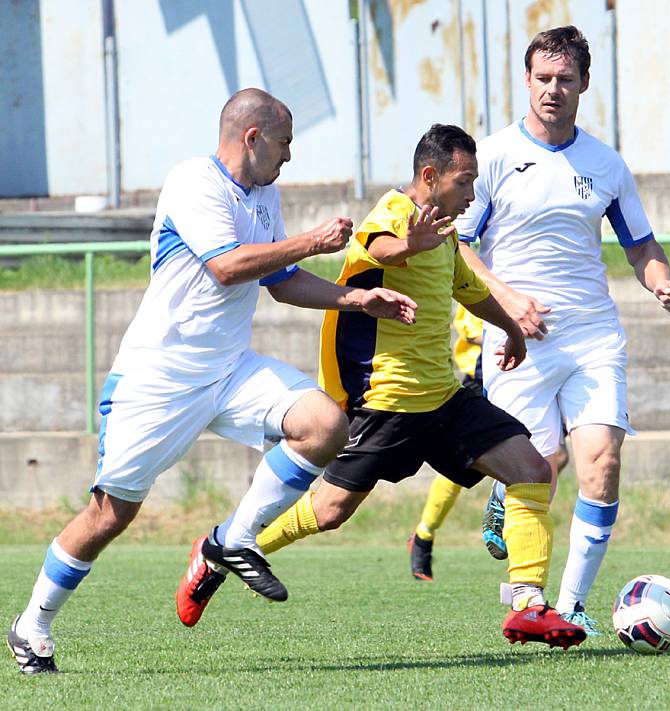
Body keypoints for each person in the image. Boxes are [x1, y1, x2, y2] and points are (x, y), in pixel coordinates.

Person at [7, 88, 418, 675]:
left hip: (230, 368)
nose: (289, 156)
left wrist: (357, 299)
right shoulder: (192, 181)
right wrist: (313, 239)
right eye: (285, 143)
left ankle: (231, 539)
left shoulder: (264, 193)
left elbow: (281, 278)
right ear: (252, 138)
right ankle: (32, 624)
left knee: (325, 425)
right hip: (161, 376)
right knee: (109, 515)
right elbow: (226, 266)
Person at [182, 123, 587, 649]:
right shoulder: (394, 212)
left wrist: (511, 328)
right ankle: (225, 546)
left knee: (532, 469)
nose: (471, 194)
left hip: (444, 398)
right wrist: (410, 243)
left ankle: (528, 605)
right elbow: (380, 248)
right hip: (384, 401)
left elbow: (468, 289)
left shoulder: (446, 231)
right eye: (464, 182)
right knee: (328, 513)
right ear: (429, 175)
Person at [454, 26, 670, 636]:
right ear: (526, 81)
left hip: (592, 335)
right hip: (514, 340)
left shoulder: (606, 165)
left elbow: (642, 245)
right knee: (539, 463)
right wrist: (506, 300)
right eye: (542, 78)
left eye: (564, 79)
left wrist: (660, 281)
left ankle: (571, 603)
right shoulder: (494, 156)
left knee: (602, 463)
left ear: (583, 84)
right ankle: (524, 586)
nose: (552, 90)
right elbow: (459, 247)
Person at [408, 307, 570, 580]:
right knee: (469, 463)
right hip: (489, 370)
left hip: (538, 364)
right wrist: (513, 333)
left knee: (555, 458)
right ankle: (424, 535)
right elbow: (470, 328)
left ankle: (511, 514)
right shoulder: (486, 272)